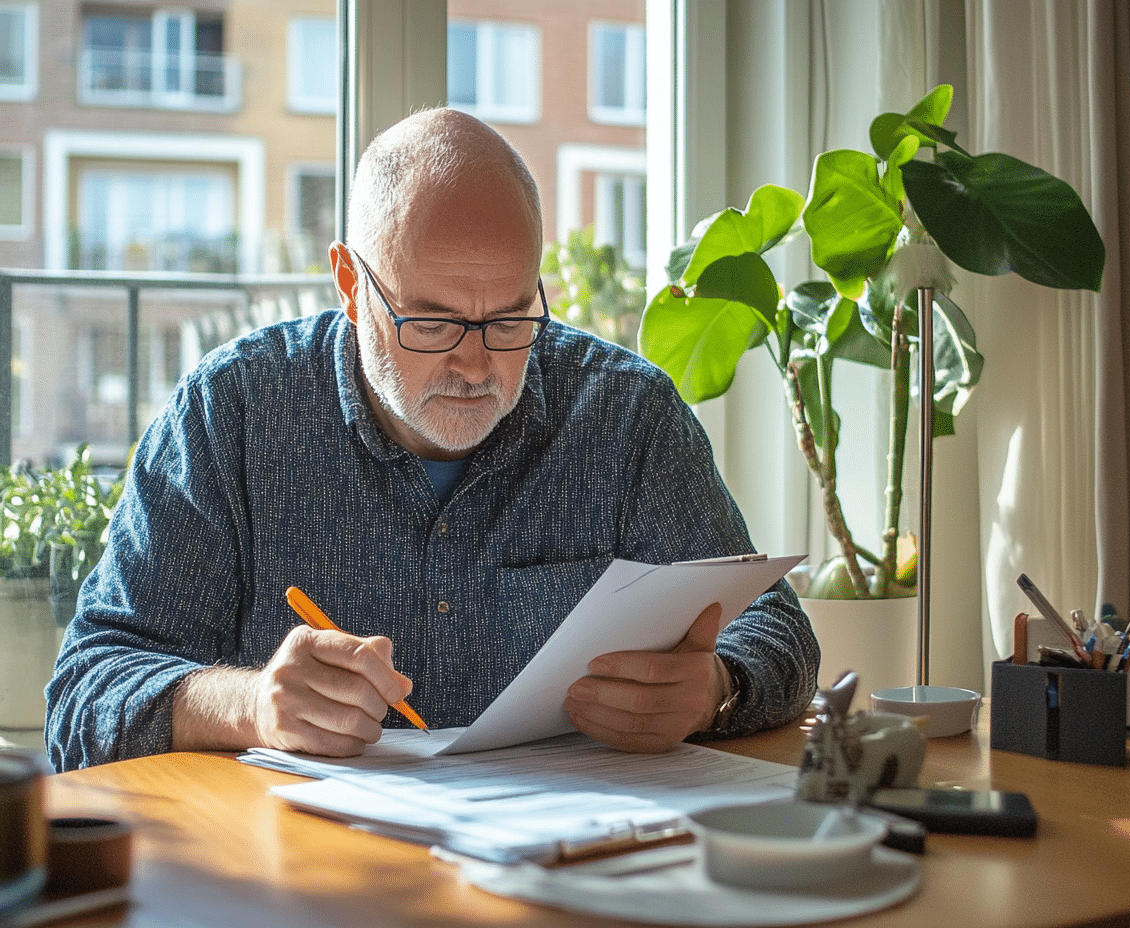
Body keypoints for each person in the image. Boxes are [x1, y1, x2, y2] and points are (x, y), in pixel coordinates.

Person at [44, 108, 818, 772]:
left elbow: (778, 629)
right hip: (302, 880)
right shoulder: (234, 413)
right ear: (350, 284)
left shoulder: (624, 415)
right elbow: (85, 691)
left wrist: (717, 687)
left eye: (511, 318)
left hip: (563, 872)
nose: (476, 364)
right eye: (435, 322)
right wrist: (249, 704)